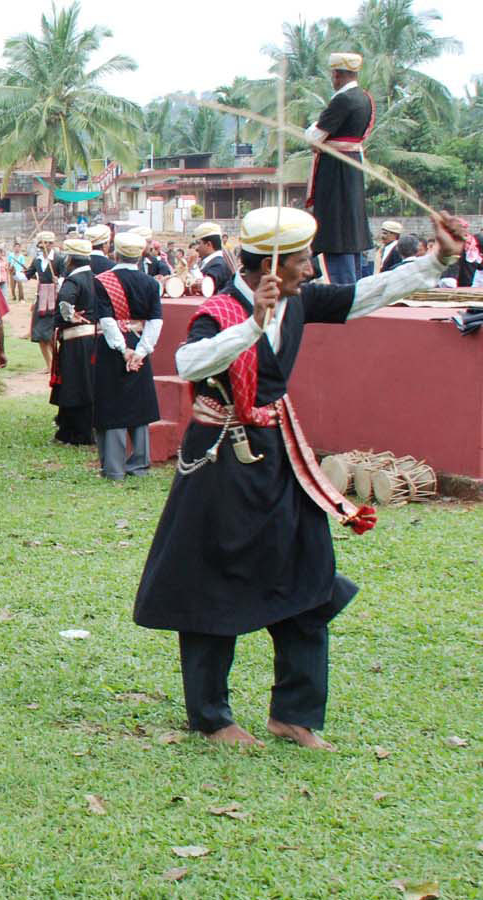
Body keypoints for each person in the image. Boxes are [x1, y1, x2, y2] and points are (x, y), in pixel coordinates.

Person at [134, 207, 466, 749]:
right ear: (270, 267)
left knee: (309, 575)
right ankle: (211, 717)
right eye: (302, 261)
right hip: (223, 460)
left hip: (281, 453)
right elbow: (190, 363)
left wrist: (438, 258)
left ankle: (294, 712)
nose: (311, 271)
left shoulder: (301, 300)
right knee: (213, 580)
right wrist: (251, 326)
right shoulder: (218, 311)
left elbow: (367, 295)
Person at [89, 233, 164, 480]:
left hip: (114, 347)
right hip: (140, 344)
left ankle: (113, 467)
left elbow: (107, 320)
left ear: (115, 252)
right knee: (138, 403)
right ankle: (140, 463)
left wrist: (124, 350)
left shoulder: (102, 281)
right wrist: (140, 351)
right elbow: (155, 321)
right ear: (141, 254)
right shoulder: (152, 284)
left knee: (112, 402)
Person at [305, 53, 374, 285]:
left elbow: (315, 136)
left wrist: (312, 130)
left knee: (336, 226)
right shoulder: (365, 98)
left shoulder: (342, 100)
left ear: (337, 75)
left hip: (336, 169)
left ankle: (341, 286)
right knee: (349, 221)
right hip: (352, 165)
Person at [49, 239, 98, 446]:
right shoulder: (96, 278)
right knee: (87, 384)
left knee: (74, 386)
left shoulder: (73, 282)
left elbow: (65, 303)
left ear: (69, 260)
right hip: (93, 338)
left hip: (76, 340)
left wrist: (70, 316)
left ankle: (78, 433)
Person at [26, 231, 59, 371]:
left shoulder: (59, 259)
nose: (43, 246)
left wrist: (59, 280)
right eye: (41, 243)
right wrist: (15, 274)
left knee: (51, 334)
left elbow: (66, 276)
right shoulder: (37, 260)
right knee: (39, 333)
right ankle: (48, 364)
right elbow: (27, 275)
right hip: (41, 297)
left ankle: (57, 363)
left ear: (52, 244)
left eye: (47, 243)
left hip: (54, 297)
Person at [193, 223, 233, 296]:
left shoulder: (218, 265)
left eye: (198, 243)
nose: (196, 248)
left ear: (208, 244)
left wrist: (193, 267)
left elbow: (205, 288)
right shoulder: (208, 262)